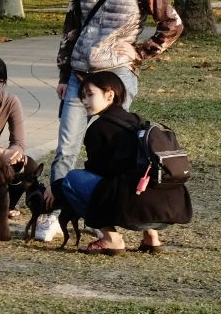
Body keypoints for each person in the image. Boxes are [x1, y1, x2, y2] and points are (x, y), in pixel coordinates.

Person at [50, 0, 183, 188]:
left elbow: (173, 24)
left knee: (111, 146)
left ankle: (106, 209)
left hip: (116, 75)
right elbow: (72, 26)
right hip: (80, 74)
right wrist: (64, 75)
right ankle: (56, 209)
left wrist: (141, 51)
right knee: (66, 147)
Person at [50, 70, 191, 254]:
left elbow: (97, 173)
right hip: (167, 212)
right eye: (82, 96)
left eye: (90, 94)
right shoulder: (139, 121)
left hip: (132, 213)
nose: (84, 100)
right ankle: (152, 237)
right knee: (137, 177)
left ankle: (111, 238)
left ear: (110, 95)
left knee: (72, 180)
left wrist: (56, 187)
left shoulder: (98, 129)